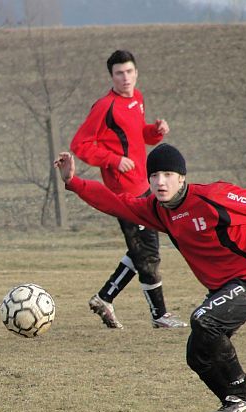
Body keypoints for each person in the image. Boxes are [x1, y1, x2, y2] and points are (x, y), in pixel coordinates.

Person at [55, 144, 246, 412]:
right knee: (197, 355)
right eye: (154, 176)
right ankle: (238, 401)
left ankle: (240, 399)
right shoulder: (158, 210)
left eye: (168, 174)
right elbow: (117, 203)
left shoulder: (214, 197)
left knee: (203, 320)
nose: (160, 181)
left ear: (182, 177)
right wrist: (73, 181)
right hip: (223, 289)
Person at [70, 49, 185, 330]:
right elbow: (80, 145)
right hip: (124, 194)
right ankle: (160, 315)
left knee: (141, 250)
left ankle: (104, 298)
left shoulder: (137, 98)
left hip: (144, 186)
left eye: (129, 72)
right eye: (119, 73)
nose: (125, 78)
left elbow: (138, 136)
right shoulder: (104, 106)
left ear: (136, 73)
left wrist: (155, 132)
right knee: (148, 253)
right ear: (111, 76)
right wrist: (113, 160)